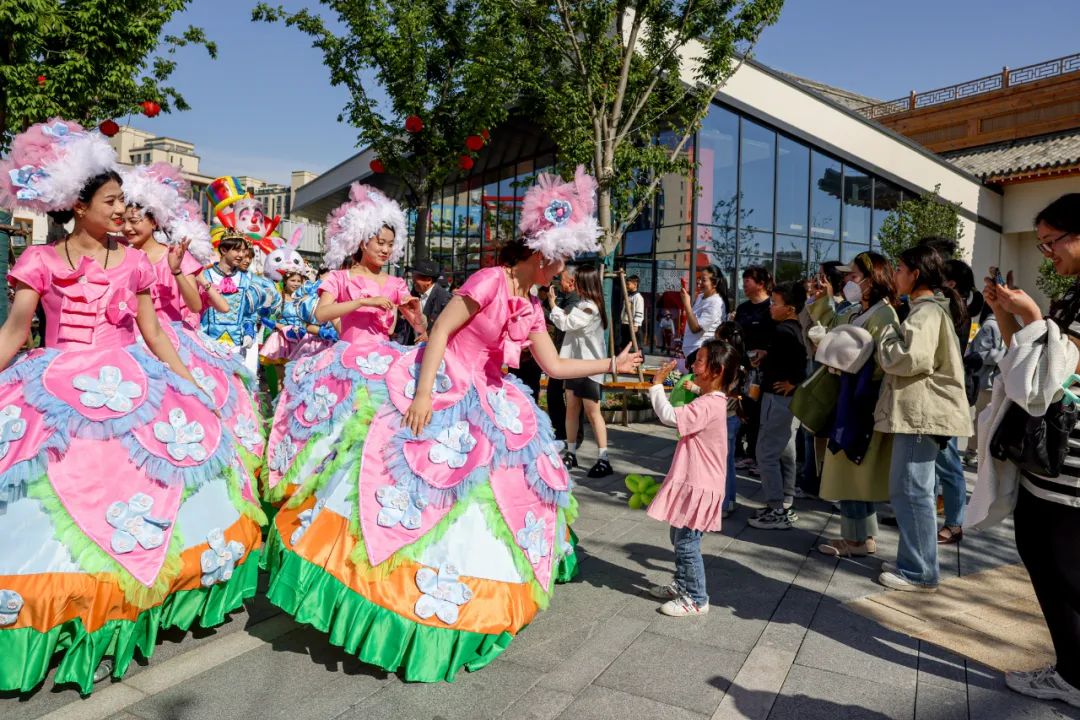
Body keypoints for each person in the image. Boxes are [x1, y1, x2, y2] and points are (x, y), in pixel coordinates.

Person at [266, 167, 642, 682]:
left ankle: (475, 588)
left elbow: (554, 366)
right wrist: (423, 395)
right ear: (541, 254)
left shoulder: (531, 305)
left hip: (492, 398)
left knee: (504, 490)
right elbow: (440, 331)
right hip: (444, 385)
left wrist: (613, 364)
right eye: (560, 260)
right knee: (413, 483)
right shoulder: (489, 280)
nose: (562, 271)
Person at [0, 119, 264, 693]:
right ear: (79, 206)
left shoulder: (138, 263)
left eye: (124, 201)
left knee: (147, 494)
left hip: (133, 386)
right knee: (58, 495)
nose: (122, 211)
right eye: (112, 201)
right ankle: (62, 613)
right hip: (56, 387)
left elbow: (155, 332)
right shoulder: (40, 260)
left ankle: (136, 606)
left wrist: (191, 386)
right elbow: (16, 333)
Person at [977, 194, 1080, 708]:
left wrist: (1034, 316)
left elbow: (1047, 382)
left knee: (1061, 567)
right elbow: (1031, 369)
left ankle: (1073, 676)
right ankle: (1070, 670)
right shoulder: (1073, 295)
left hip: (1069, 462)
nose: (1047, 253)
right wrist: (1007, 317)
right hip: (1051, 457)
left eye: (1051, 241)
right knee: (1044, 558)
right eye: (1041, 244)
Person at [261, 184, 424, 504]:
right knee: (335, 429)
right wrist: (363, 302)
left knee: (378, 429)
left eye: (390, 244)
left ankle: (369, 491)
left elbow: (419, 328)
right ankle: (323, 494)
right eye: (380, 242)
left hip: (384, 361)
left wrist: (417, 316)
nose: (386, 250)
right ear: (362, 240)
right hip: (345, 360)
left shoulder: (395, 283)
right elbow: (322, 314)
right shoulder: (340, 278)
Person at [119, 162, 266, 472]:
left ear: (154, 221)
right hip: (127, 339)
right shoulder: (119, 254)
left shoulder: (174, 254)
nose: (128, 228)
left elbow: (195, 305)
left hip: (171, 338)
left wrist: (175, 270)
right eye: (124, 222)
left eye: (135, 221)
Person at [876, 244, 971, 592]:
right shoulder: (926, 310)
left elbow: (908, 359)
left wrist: (886, 333)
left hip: (921, 414)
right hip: (921, 413)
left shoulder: (926, 312)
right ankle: (913, 562)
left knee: (912, 491)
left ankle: (919, 571)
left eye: (900, 269)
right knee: (911, 490)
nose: (895, 275)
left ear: (916, 274)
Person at [809, 252, 900, 557]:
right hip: (851, 398)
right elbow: (835, 328)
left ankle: (857, 540)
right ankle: (861, 537)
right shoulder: (860, 310)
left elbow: (881, 363)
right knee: (853, 470)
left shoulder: (884, 314)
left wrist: (842, 360)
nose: (848, 280)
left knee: (853, 469)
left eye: (854, 275)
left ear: (873, 279)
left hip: (862, 402)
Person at [645, 340, 741, 617]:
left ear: (716, 370)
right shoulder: (713, 399)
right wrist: (695, 388)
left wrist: (656, 385)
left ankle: (697, 598)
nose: (692, 365)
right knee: (678, 535)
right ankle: (683, 583)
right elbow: (705, 396)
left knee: (687, 543)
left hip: (700, 484)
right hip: (695, 481)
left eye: (699, 361)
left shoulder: (709, 405)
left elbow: (669, 416)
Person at [748, 281, 808, 530]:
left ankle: (776, 508)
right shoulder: (792, 329)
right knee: (785, 452)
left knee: (766, 453)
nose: (770, 307)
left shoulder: (785, 331)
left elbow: (802, 362)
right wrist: (766, 356)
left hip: (778, 400)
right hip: (785, 400)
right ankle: (785, 502)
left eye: (775, 303)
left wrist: (793, 382)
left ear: (790, 308)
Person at [549, 264, 612, 477]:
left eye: (578, 281)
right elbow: (569, 322)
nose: (574, 284)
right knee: (572, 409)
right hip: (574, 366)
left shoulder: (590, 308)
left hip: (590, 367)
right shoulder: (584, 304)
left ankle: (603, 458)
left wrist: (552, 305)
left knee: (593, 413)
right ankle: (571, 452)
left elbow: (567, 324)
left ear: (586, 283)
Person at [199, 233, 278, 376]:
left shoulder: (247, 281)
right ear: (223, 250)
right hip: (206, 342)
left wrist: (249, 331)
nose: (241, 255)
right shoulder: (204, 276)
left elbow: (249, 315)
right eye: (237, 250)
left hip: (236, 345)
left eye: (244, 251)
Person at [734, 265, 774, 469]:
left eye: (747, 281)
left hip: (764, 371)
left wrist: (765, 353)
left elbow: (776, 339)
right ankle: (745, 453)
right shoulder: (743, 308)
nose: (744, 285)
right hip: (744, 369)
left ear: (761, 284)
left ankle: (757, 455)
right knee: (744, 408)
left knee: (759, 414)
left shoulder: (772, 308)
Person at [961, 303, 1005, 468]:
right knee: (982, 419)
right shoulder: (991, 326)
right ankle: (971, 452)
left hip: (993, 381)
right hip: (987, 382)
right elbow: (979, 354)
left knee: (986, 419)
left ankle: (976, 453)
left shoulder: (998, 325)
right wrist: (1005, 355)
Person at [547, 266, 580, 441]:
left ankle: (572, 434)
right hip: (561, 354)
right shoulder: (566, 298)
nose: (559, 283)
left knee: (569, 396)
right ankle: (561, 430)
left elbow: (562, 322)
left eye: (562, 280)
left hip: (571, 356)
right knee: (555, 393)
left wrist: (548, 306)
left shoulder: (576, 301)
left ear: (572, 281)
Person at [679, 264, 727, 366]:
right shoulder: (701, 297)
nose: (699, 282)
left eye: (703, 280)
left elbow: (695, 328)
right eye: (699, 278)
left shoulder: (716, 302)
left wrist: (687, 304)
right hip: (691, 352)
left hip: (701, 354)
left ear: (714, 283)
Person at [397, 258, 451, 345]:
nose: (413, 280)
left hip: (432, 347)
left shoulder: (445, 298)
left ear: (428, 280)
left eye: (416, 277)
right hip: (412, 346)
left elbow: (450, 324)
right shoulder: (414, 293)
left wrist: (429, 334)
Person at [620, 273, 645, 351]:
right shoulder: (628, 296)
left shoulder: (638, 297)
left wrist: (636, 324)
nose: (626, 286)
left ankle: (640, 358)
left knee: (636, 345)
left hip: (633, 324)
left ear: (635, 284)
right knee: (625, 345)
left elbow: (639, 311)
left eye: (628, 284)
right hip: (625, 323)